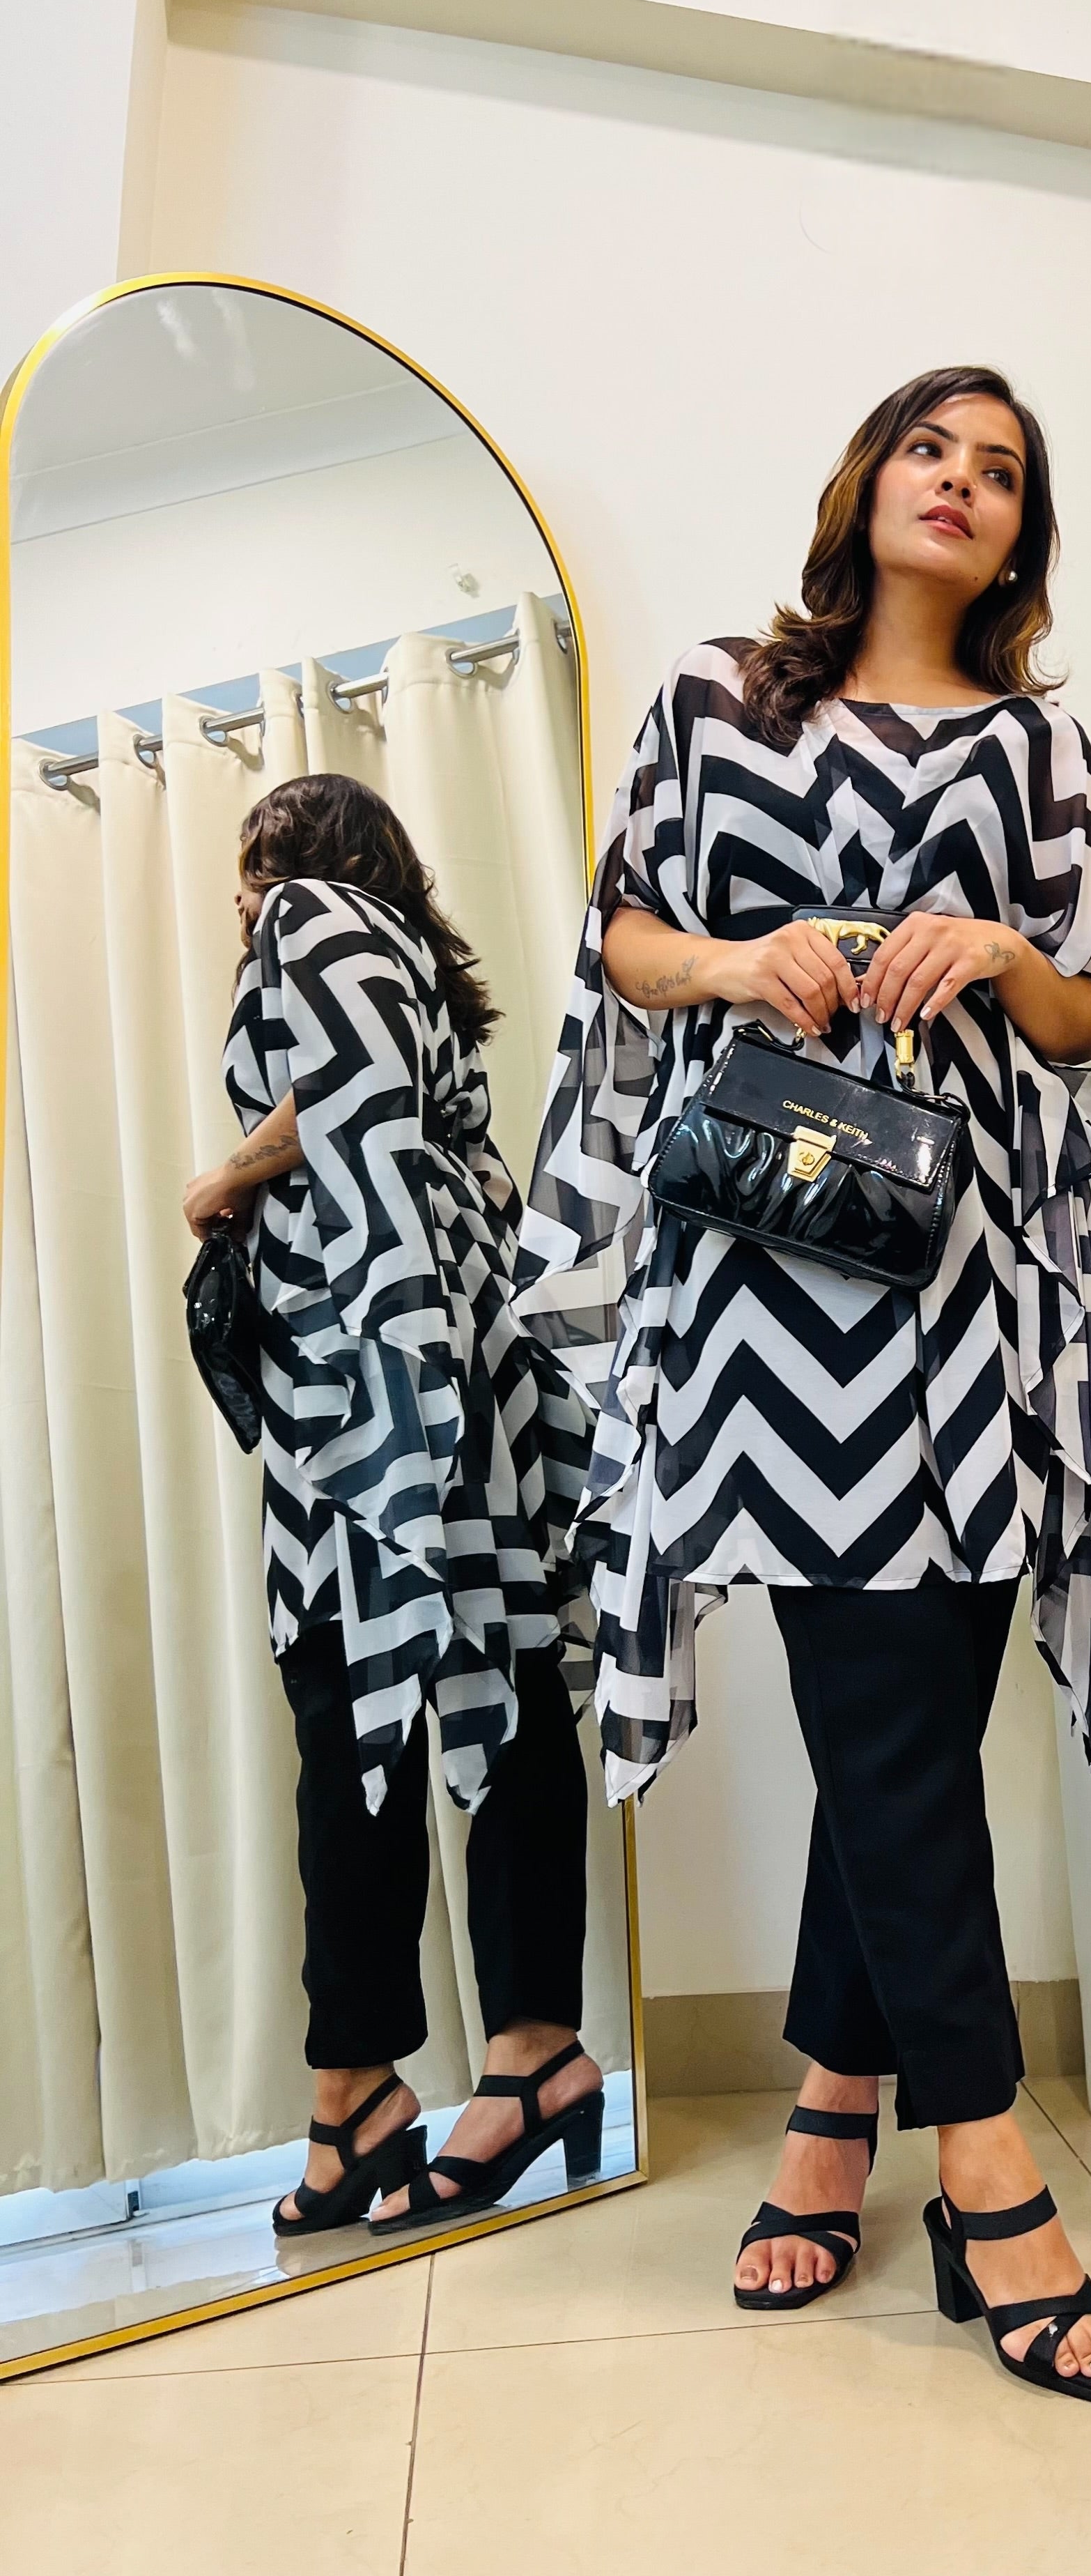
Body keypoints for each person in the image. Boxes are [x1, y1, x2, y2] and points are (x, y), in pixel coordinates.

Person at [518, 365, 1091, 2401]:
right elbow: (622, 937)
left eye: (1001, 472)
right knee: (888, 1724)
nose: (959, 484)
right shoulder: (724, 702)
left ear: (1021, 534)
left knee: (906, 1734)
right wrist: (742, 961)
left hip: (972, 1294)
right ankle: (987, 2173)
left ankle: (825, 2108)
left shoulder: (1044, 755)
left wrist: (997, 958)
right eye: (929, 450)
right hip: (771, 1294)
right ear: (866, 479)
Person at [183, 774, 605, 2234]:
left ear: (312, 859)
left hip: (383, 1366)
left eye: (257, 862)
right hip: (436, 1343)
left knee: (355, 1699)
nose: (246, 896)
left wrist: (227, 1175)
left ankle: (377, 2082)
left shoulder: (315, 919)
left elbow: (350, 1099)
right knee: (493, 1670)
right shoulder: (409, 959)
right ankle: (506, 2054)